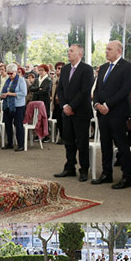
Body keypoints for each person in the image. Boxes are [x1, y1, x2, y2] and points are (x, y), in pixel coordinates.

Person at [92, 40, 131, 190]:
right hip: (102, 113)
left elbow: (125, 90)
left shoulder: (128, 67)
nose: (106, 52)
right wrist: (97, 104)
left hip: (117, 112)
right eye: (106, 49)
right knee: (105, 144)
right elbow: (98, 88)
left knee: (121, 145)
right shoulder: (103, 68)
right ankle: (106, 173)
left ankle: (126, 176)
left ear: (119, 51)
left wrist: (107, 105)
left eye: (109, 49)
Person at [54, 45, 94, 182]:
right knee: (68, 141)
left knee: (82, 142)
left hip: (81, 112)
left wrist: (72, 106)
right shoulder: (65, 69)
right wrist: (65, 105)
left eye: (71, 51)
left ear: (80, 53)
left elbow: (84, 91)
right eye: (68, 50)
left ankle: (84, 169)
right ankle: (70, 167)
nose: (68, 53)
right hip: (66, 111)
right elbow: (60, 89)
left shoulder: (87, 69)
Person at [1, 63, 27, 151]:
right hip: (7, 105)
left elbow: (24, 93)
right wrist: (2, 95)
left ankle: (21, 144)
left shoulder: (21, 80)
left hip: (18, 106)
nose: (10, 75)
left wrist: (11, 94)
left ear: (16, 72)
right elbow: (3, 91)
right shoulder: (7, 80)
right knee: (8, 125)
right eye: (8, 73)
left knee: (18, 125)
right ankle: (10, 143)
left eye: (11, 73)